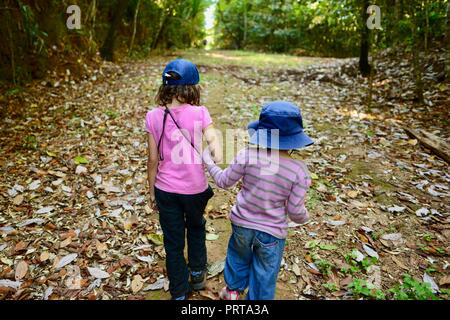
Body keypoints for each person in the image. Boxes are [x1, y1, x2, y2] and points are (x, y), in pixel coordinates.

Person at [202, 101, 314, 300]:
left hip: (242, 225)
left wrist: (208, 161)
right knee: (265, 271)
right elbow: (296, 211)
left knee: (237, 257)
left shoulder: (247, 155)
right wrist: (305, 217)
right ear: (293, 139)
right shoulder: (299, 172)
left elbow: (223, 181)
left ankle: (233, 292)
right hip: (272, 233)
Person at [145, 59, 221, 300]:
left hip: (165, 190)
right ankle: (198, 274)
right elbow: (216, 149)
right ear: (192, 88)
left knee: (173, 240)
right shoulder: (200, 113)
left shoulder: (153, 116)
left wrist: (151, 191)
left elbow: (152, 160)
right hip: (195, 188)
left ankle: (179, 291)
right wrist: (213, 154)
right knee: (196, 227)